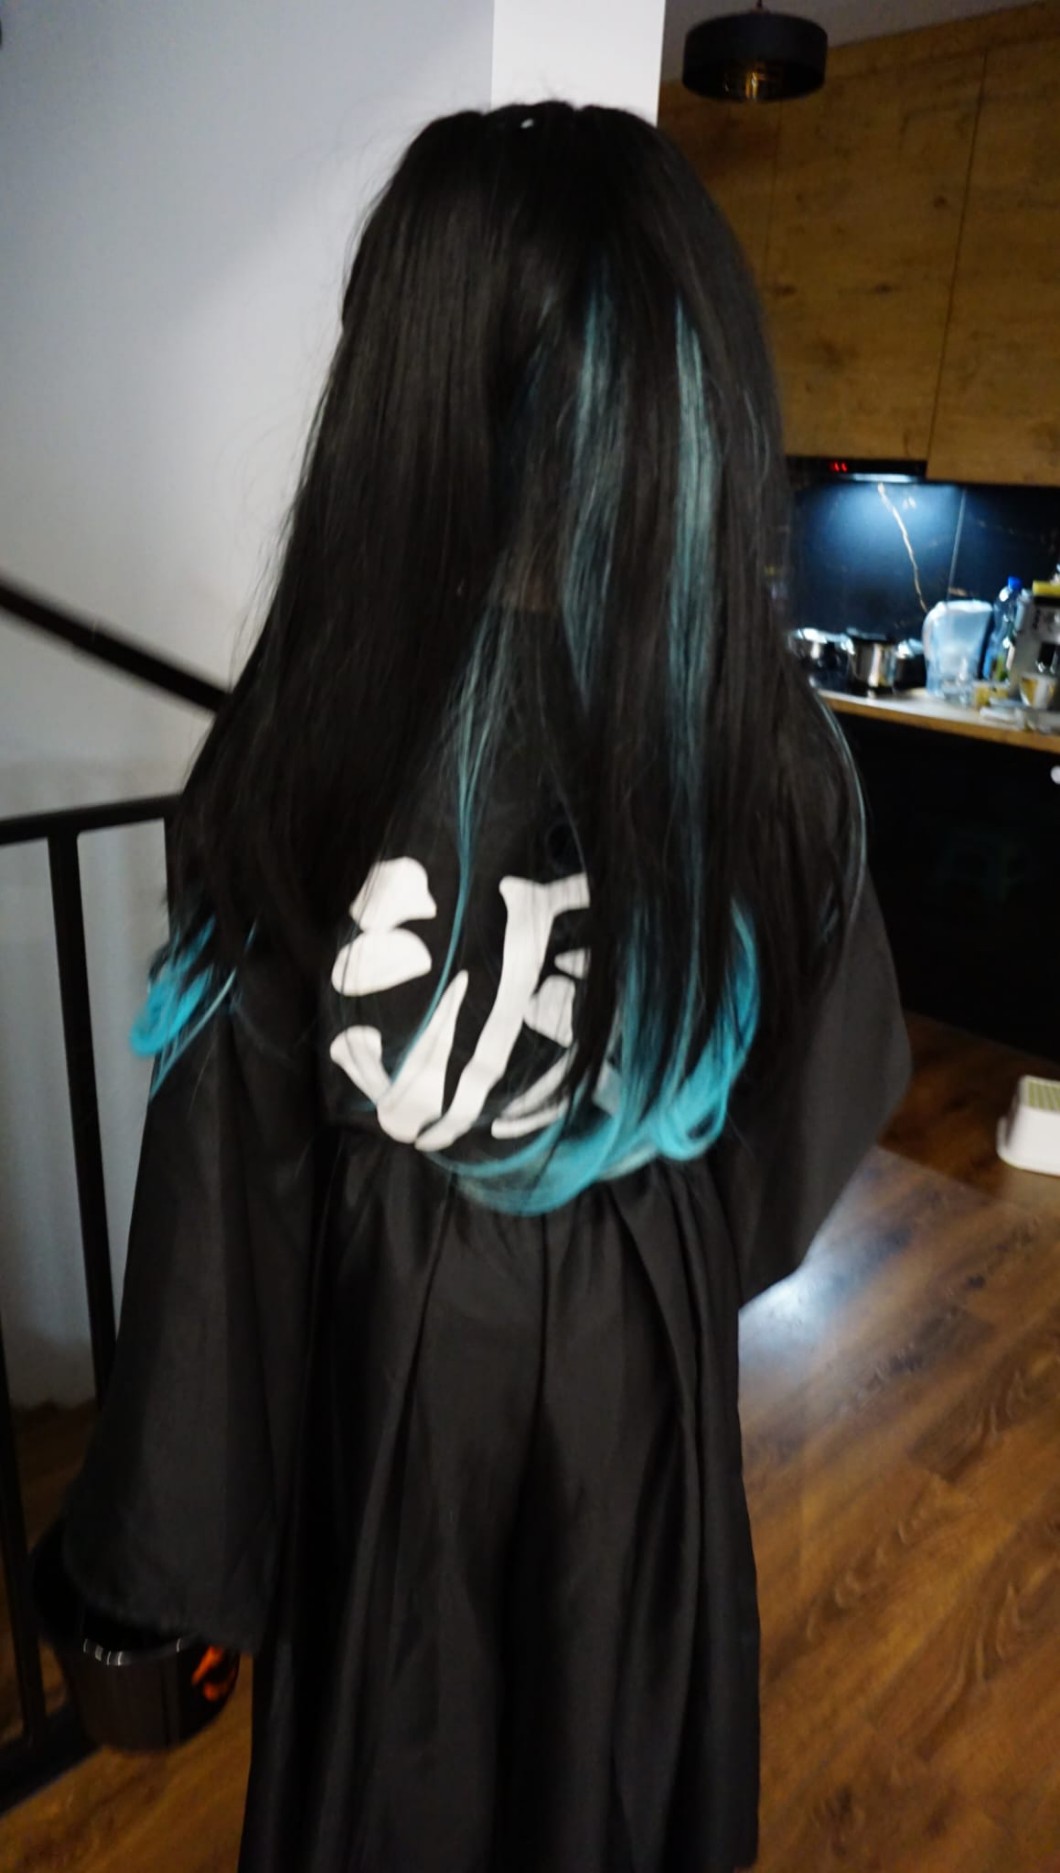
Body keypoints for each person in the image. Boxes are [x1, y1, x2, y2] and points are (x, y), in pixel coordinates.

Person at [60, 101, 910, 1872]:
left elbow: (230, 1177)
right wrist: (629, 1202)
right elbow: (791, 1147)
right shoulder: (768, 737)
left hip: (397, 1344)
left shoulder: (310, 726)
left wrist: (168, 1553)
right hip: (638, 1350)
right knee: (619, 1757)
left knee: (395, 1758)